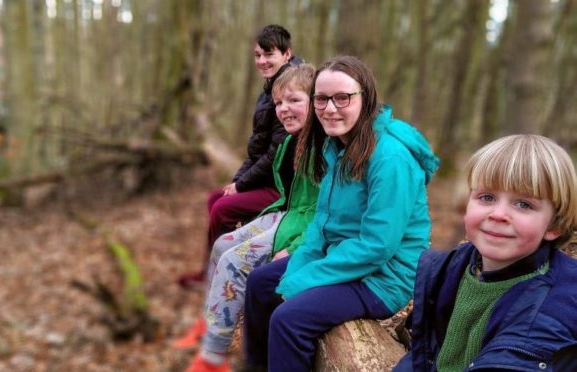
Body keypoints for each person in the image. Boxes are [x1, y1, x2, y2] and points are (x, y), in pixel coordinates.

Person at [242, 55, 440, 371]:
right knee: (260, 283)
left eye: (342, 98)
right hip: (342, 256)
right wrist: (303, 265)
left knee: (289, 319)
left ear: (366, 98)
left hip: (383, 277)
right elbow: (322, 223)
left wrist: (305, 279)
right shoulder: (336, 146)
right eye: (322, 99)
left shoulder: (391, 159)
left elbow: (377, 246)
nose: (330, 108)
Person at [178, 64, 320, 372]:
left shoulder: (323, 146)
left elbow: (324, 212)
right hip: (289, 214)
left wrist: (295, 245)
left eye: (294, 100)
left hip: (303, 228)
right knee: (221, 245)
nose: (284, 109)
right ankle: (210, 325)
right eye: (280, 103)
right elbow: (288, 193)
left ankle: (213, 359)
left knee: (233, 262)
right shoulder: (292, 141)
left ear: (315, 100)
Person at [393, 134, 577, 371]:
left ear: (554, 226)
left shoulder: (557, 305)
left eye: (524, 204)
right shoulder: (449, 270)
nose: (498, 214)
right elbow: (426, 353)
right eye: (487, 197)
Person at [177, 24, 303, 288]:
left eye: (269, 54)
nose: (262, 61)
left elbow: (274, 155)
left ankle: (216, 278)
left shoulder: (290, 91)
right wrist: (235, 182)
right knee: (218, 198)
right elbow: (256, 148)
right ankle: (211, 269)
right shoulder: (269, 90)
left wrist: (242, 185)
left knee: (222, 208)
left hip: (283, 187)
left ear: (286, 54)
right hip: (268, 178)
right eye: (257, 55)